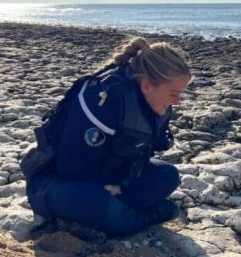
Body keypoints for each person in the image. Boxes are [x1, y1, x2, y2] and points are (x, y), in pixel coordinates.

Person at [23, 37, 192, 238]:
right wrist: (111, 187)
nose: (178, 101)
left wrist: (121, 186)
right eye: (174, 94)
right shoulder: (105, 98)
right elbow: (70, 166)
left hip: (112, 178)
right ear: (147, 85)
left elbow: (142, 156)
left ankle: (116, 211)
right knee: (107, 210)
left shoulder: (157, 104)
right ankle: (138, 217)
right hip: (57, 180)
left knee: (168, 176)